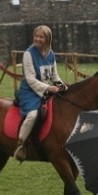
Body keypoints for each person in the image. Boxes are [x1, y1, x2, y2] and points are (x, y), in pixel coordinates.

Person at [14, 25, 66, 161]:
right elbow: (30, 79)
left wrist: (62, 85)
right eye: (36, 36)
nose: (37, 39)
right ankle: (20, 144)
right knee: (33, 115)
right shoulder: (28, 54)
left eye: (41, 37)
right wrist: (48, 88)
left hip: (45, 90)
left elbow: (54, 76)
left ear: (47, 39)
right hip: (29, 91)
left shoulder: (51, 54)